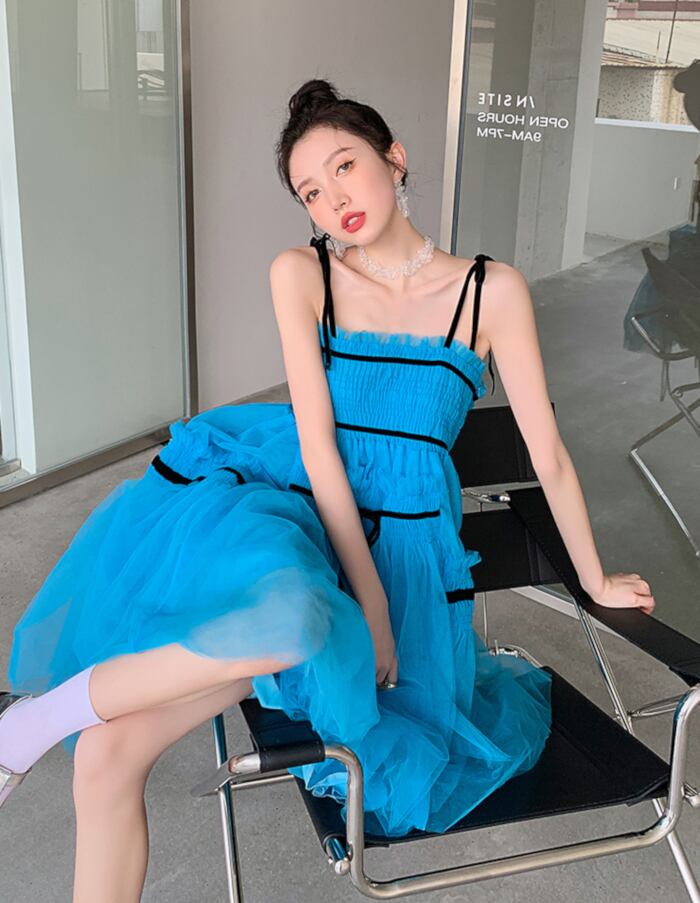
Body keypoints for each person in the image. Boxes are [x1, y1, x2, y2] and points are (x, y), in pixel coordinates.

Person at [0, 78, 655, 901]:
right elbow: (317, 446)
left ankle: (26, 724)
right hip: (305, 523)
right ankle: (24, 726)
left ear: (395, 158)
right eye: (310, 190)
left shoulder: (491, 292)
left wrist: (594, 578)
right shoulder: (302, 273)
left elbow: (548, 454)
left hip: (412, 566)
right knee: (261, 639)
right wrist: (367, 602)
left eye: (344, 167)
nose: (332, 199)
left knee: (111, 747)